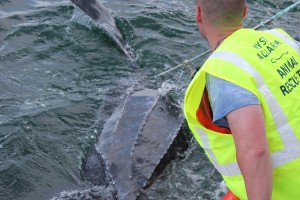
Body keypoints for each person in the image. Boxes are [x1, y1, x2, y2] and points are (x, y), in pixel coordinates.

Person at [184, 0, 300, 199]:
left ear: (198, 14)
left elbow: (255, 151)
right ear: (245, 11)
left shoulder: (224, 71)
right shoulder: (281, 39)